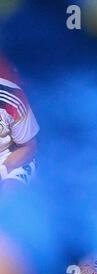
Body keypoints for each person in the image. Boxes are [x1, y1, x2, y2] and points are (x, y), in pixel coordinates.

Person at [0, 64, 39, 195]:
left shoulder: (12, 96)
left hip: (10, 160)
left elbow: (28, 147)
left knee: (6, 202)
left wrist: (2, 171)